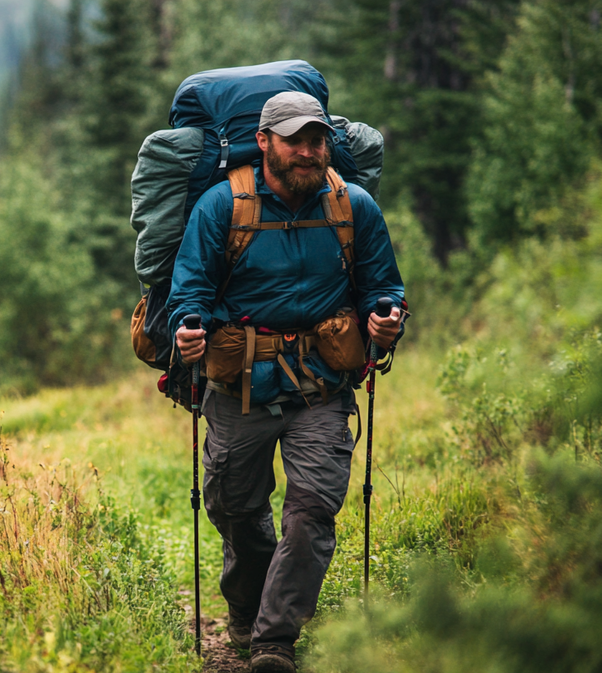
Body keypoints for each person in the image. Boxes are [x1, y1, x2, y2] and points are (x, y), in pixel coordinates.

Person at [168, 91, 404, 673]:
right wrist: (186, 330)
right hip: (239, 387)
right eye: (295, 140)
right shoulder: (222, 207)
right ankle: (248, 606)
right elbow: (190, 288)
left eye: (316, 140)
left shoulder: (356, 208)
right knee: (235, 510)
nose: (308, 150)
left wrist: (387, 317)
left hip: (322, 387)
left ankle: (275, 640)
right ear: (265, 142)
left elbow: (384, 286)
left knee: (312, 510)